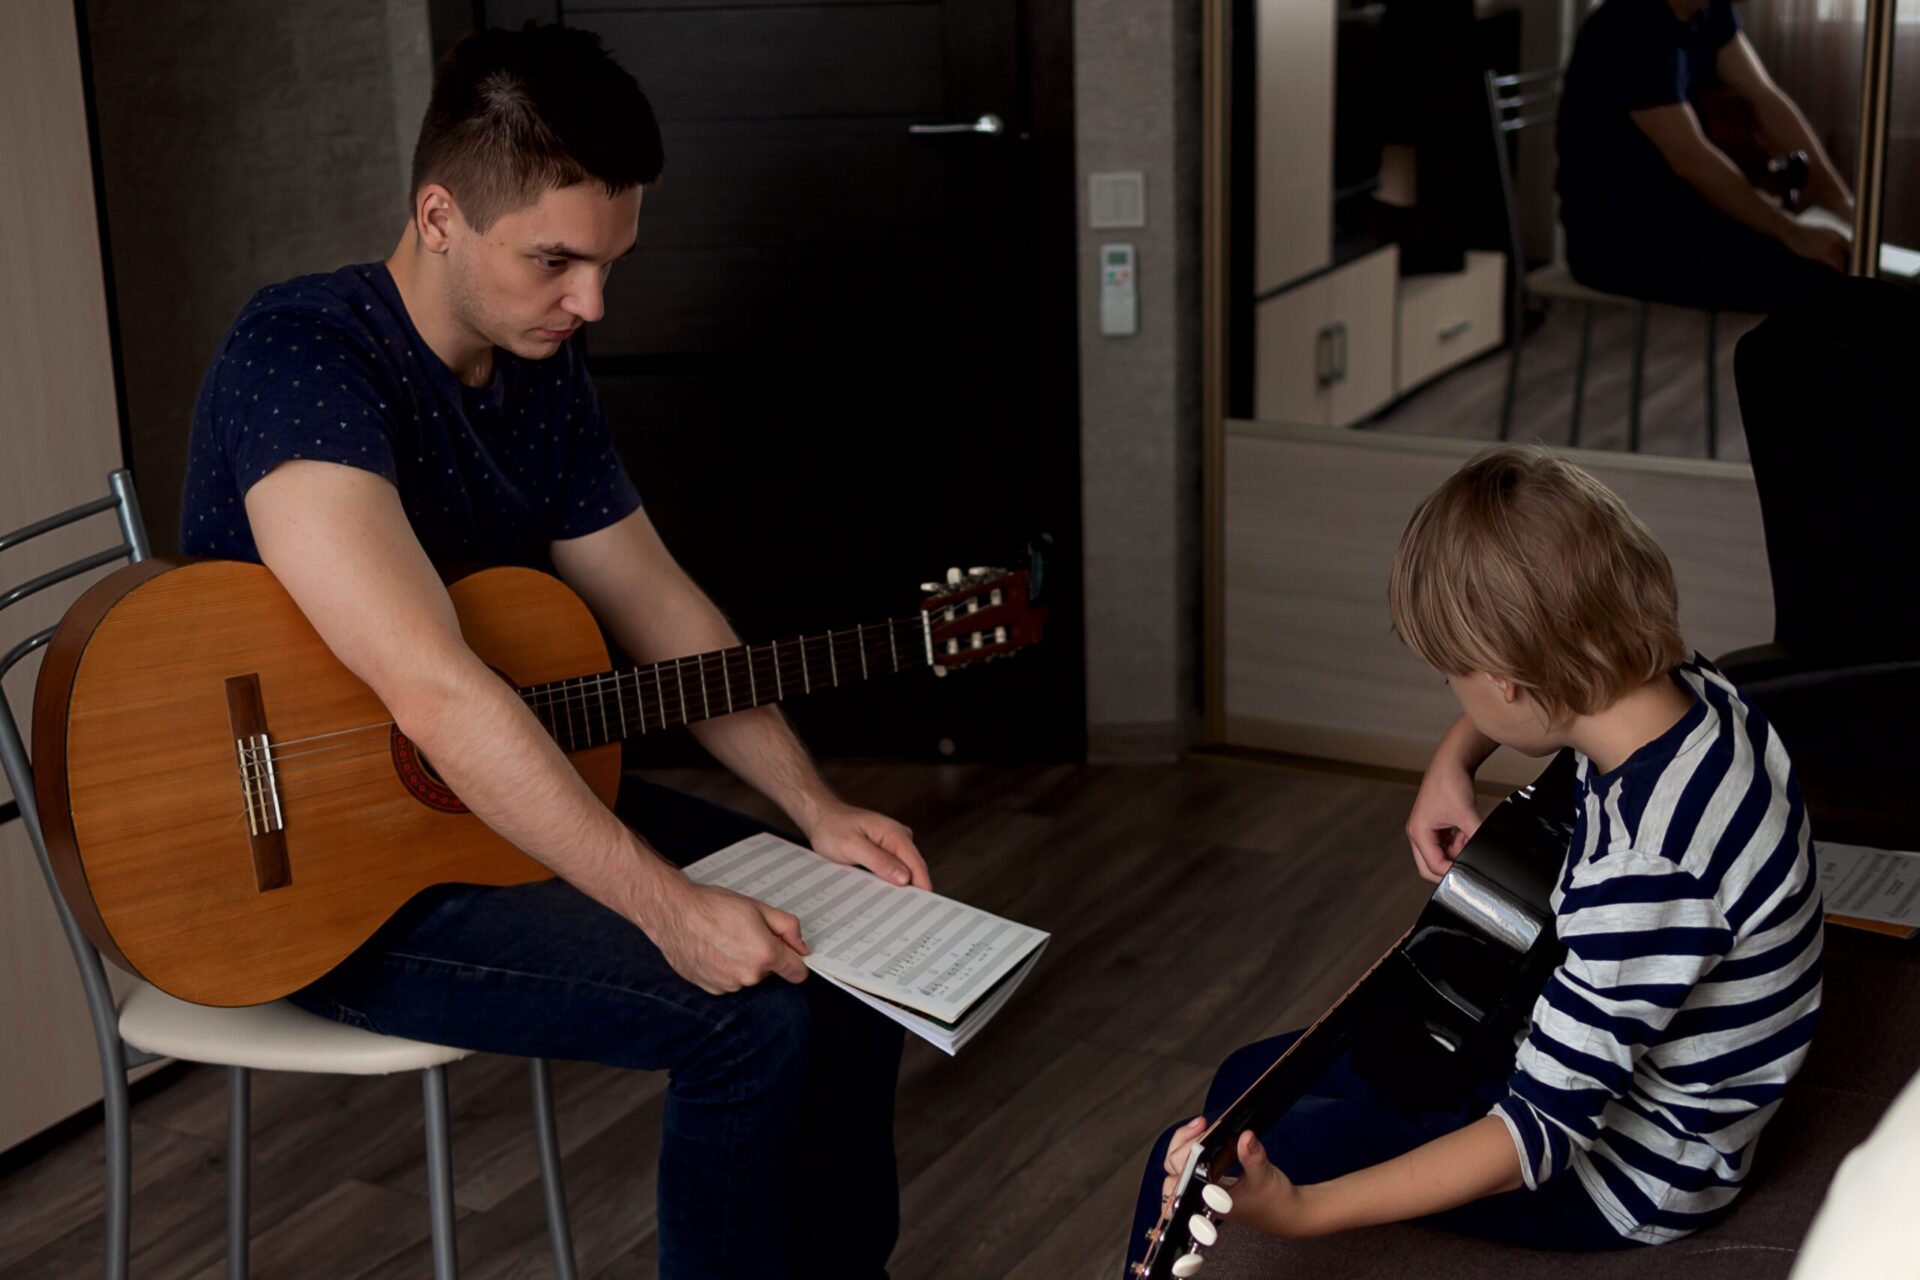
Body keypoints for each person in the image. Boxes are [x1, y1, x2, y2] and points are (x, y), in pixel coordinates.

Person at [179, 24, 921, 1280]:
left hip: (492, 806)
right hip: (314, 882)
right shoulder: (303, 358)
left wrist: (815, 805)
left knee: (852, 955)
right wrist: (670, 909)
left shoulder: (541, 367)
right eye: (556, 261)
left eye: (609, 263)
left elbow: (656, 599)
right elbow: (432, 690)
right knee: (749, 1020)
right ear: (439, 215)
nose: (592, 303)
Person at [1123, 446, 1822, 1268]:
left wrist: (1305, 1212)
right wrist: (1455, 757)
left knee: (1197, 1155)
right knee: (1248, 1078)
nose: (1457, 695)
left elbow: (1536, 1135)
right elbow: (1545, 674)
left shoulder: (1645, 870)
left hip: (1630, 1173)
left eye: (1453, 676)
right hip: (1597, 1053)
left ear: (1507, 680)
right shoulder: (1694, 690)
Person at [1557, 0, 1854, 313]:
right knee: (1818, 273)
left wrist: (1840, 200)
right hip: (1614, 238)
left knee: (1832, 257)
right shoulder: (1628, 28)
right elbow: (1691, 159)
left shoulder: (1709, 10)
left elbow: (1765, 97)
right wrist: (1789, 230)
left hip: (1681, 215)